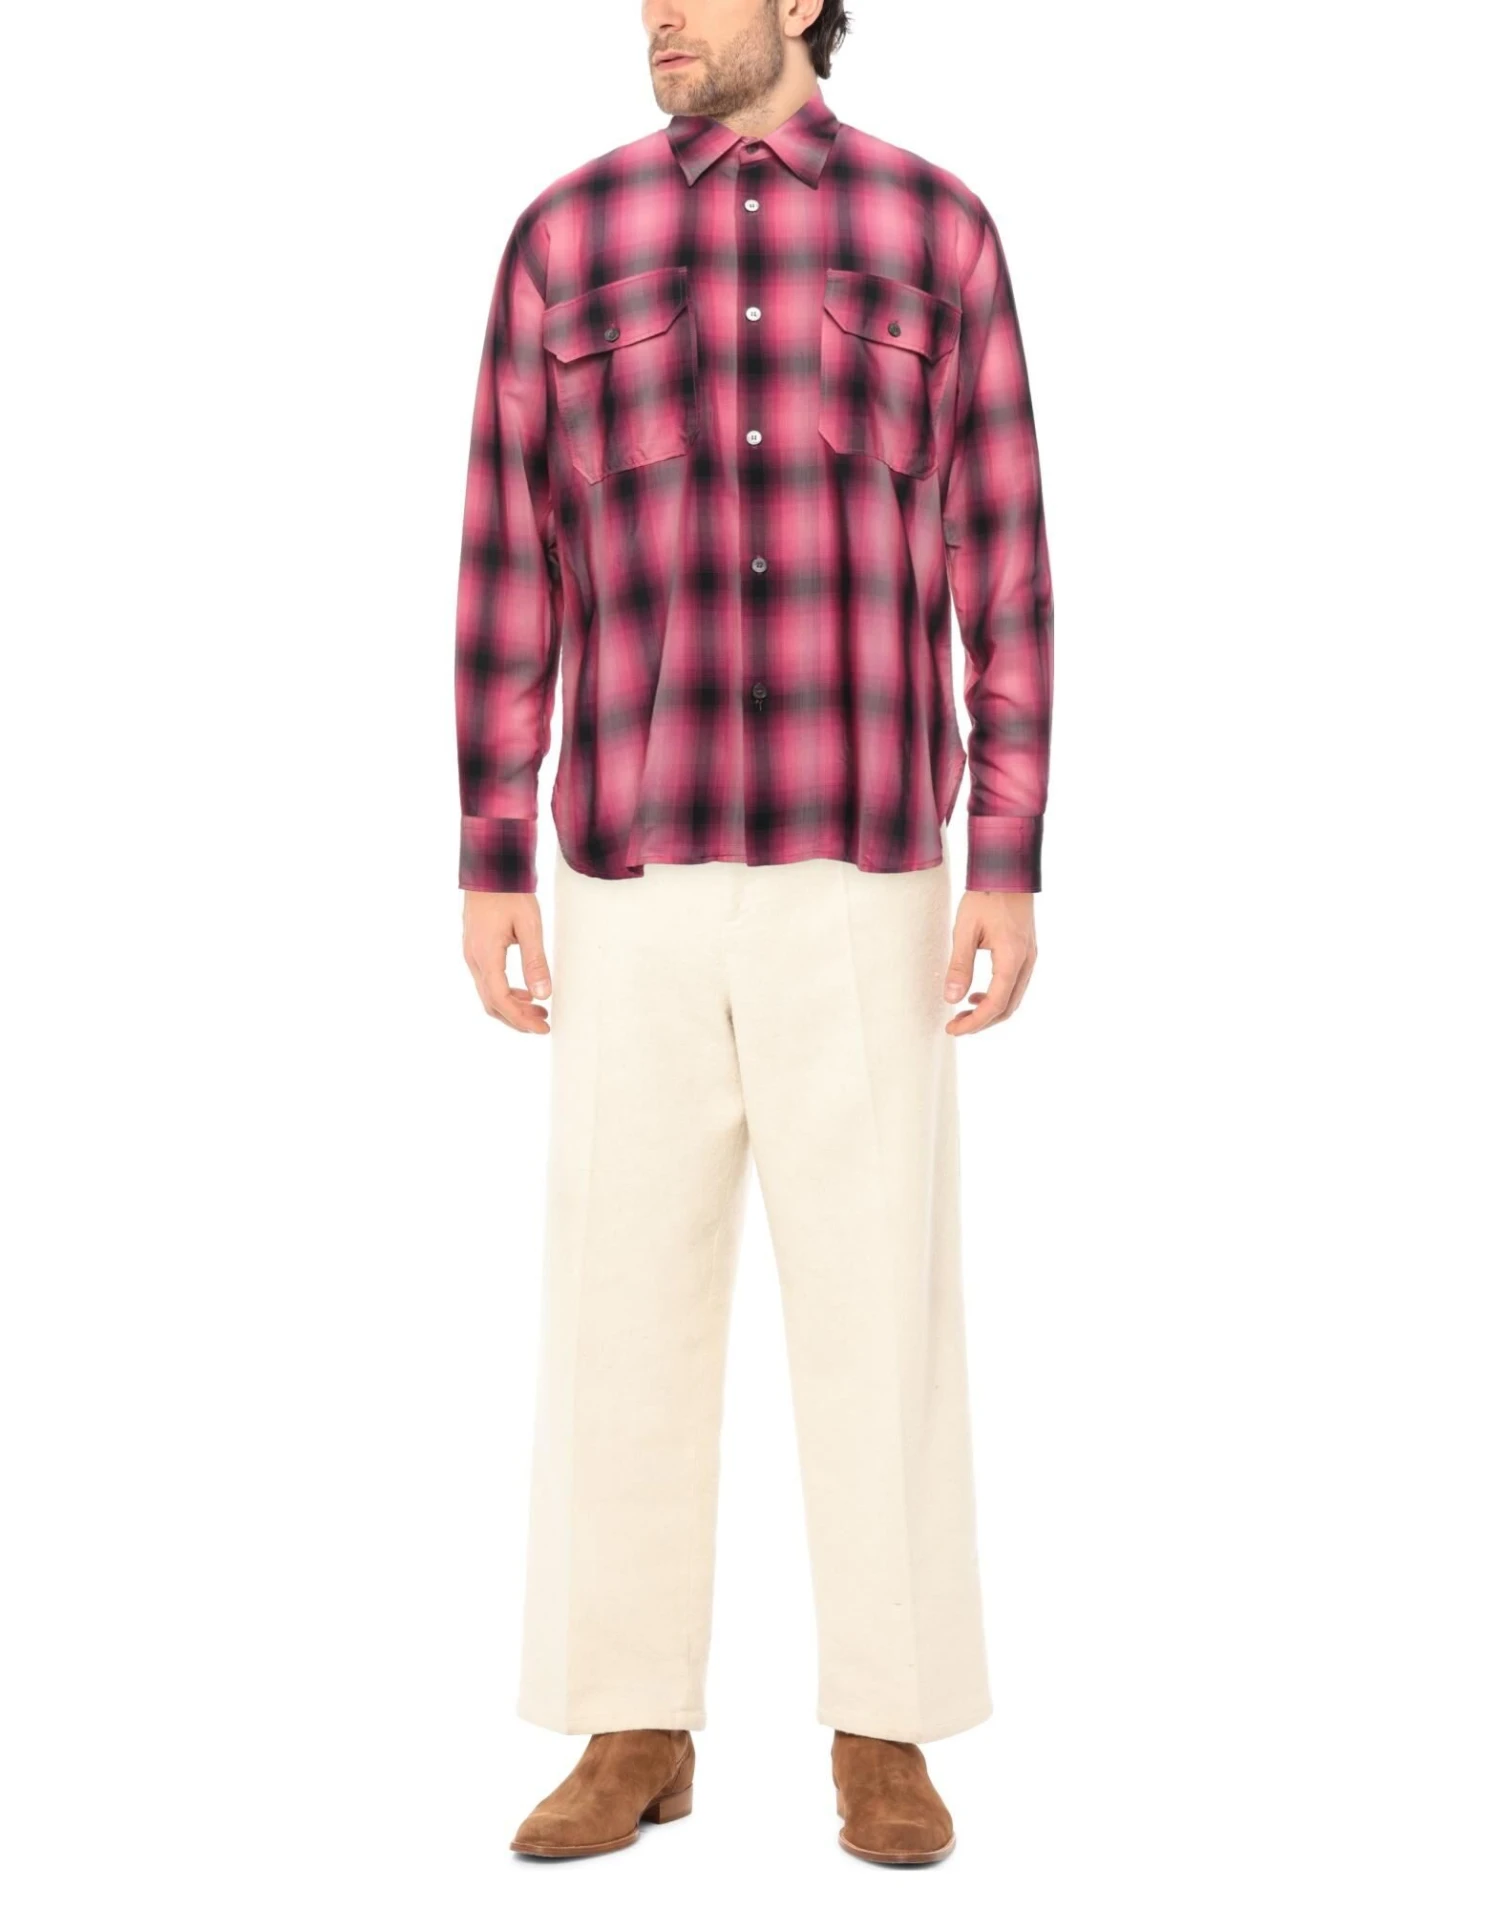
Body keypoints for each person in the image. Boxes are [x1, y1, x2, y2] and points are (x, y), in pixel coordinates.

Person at [454, 0, 1053, 1867]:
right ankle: (631, 1719)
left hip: (866, 861)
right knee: (619, 1299)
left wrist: (1009, 849)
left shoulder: (937, 231)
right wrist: (489, 850)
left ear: (802, 0)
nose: (657, 9)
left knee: (882, 1306)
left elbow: (1006, 558)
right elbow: (509, 552)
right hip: (629, 865)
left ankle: (887, 1725)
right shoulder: (565, 236)